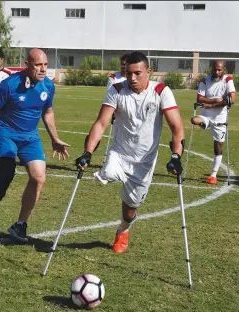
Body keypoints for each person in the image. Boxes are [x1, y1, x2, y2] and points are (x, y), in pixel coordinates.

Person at [76, 51, 185, 253]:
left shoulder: (161, 91)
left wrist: (176, 157)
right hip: (119, 153)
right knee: (106, 173)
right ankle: (112, 176)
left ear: (148, 72)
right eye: (128, 74)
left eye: (137, 73)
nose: (132, 79)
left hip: (144, 162)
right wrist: (87, 153)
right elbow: (101, 123)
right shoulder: (117, 90)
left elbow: (176, 127)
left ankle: (123, 229)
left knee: (130, 208)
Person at [0, 48, 69, 242]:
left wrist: (55, 138)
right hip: (6, 133)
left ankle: (20, 225)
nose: (43, 69)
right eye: (38, 65)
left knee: (39, 178)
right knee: (6, 172)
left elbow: (47, 112)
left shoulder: (48, 86)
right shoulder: (9, 85)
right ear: (27, 64)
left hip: (30, 136)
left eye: (45, 64)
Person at [191, 60, 236, 185]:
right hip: (206, 115)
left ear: (224, 70)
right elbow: (199, 99)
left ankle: (213, 175)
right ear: (211, 69)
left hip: (220, 118)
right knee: (194, 119)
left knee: (218, 146)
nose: (217, 72)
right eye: (215, 69)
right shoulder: (205, 80)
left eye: (219, 70)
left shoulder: (228, 80)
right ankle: (204, 124)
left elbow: (231, 99)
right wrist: (217, 100)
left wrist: (211, 104)